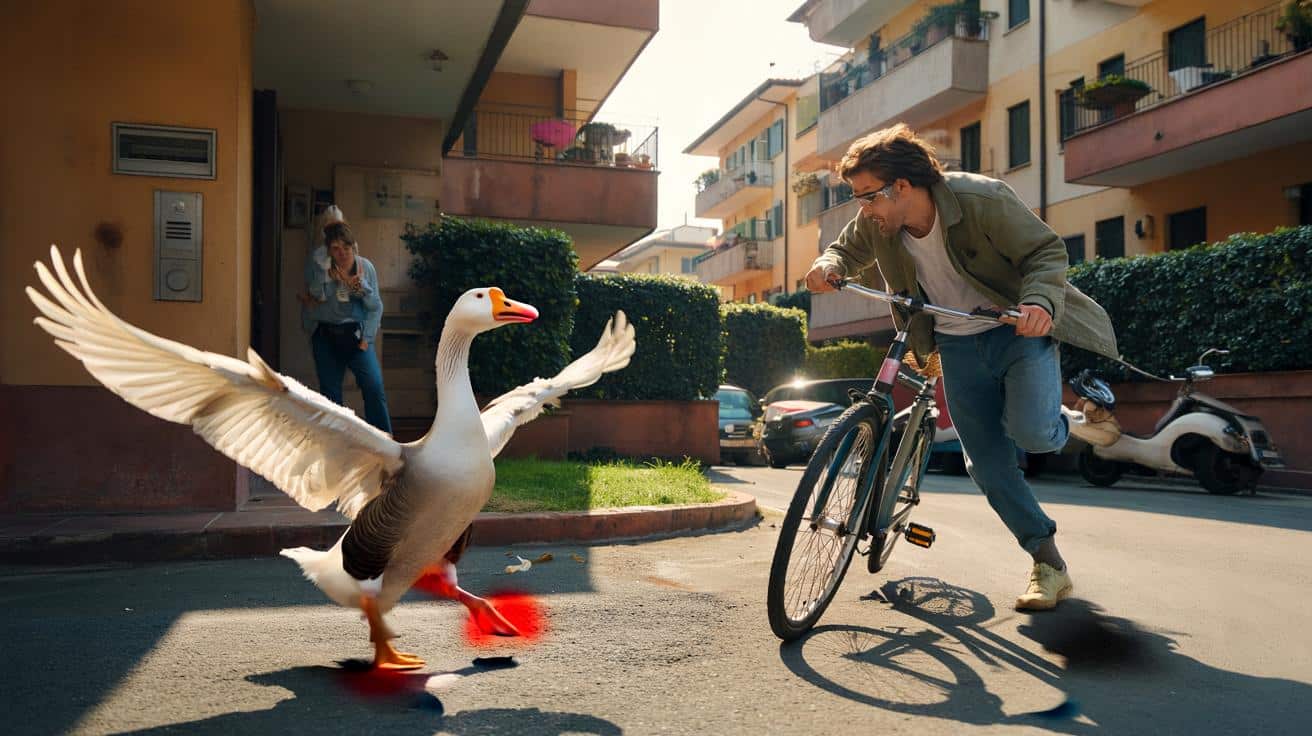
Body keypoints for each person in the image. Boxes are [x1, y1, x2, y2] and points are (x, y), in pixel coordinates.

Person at [806, 124, 1119, 611]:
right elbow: (844, 251)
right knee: (989, 466)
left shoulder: (981, 199)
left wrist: (1038, 303)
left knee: (1034, 435)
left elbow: (1046, 251)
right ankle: (1049, 564)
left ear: (903, 187)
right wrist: (827, 265)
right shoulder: (878, 222)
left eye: (868, 196)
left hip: (1018, 332)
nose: (862, 209)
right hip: (954, 343)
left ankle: (1072, 421)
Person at [300, 211, 392, 435]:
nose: (341, 253)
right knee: (330, 395)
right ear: (328, 249)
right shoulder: (319, 265)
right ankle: (337, 444)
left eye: (346, 248)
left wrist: (366, 338)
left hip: (357, 335)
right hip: (326, 334)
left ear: (354, 247)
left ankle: (384, 442)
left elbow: (375, 306)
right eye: (335, 248)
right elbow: (314, 298)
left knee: (373, 386)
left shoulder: (365, 267)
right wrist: (324, 273)